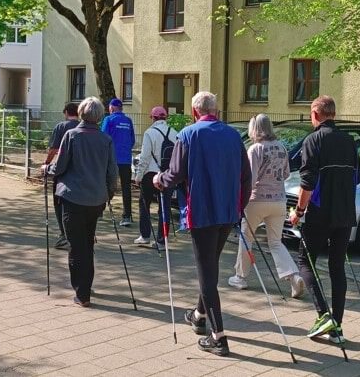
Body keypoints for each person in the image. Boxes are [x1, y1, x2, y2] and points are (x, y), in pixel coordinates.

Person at [153, 92, 252, 356]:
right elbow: (246, 177)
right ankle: (199, 315)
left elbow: (175, 174)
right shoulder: (233, 136)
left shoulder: (188, 134)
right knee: (210, 265)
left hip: (202, 211)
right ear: (215, 111)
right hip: (227, 212)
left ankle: (218, 337)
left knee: (207, 271)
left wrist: (159, 180)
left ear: (195, 112)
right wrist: (238, 207)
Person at [289, 95, 360, 344]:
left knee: (305, 261)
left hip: (320, 214)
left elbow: (307, 183)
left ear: (316, 114)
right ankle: (337, 327)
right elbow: (357, 177)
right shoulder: (349, 141)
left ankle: (323, 315)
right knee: (337, 268)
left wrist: (298, 212)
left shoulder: (313, 140)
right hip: (344, 214)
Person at [43, 97, 118, 307]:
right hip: (96, 199)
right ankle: (86, 285)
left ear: (82, 113)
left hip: (73, 197)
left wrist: (46, 169)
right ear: (99, 115)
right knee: (87, 242)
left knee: (76, 246)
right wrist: (108, 194)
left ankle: (82, 293)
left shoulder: (72, 135)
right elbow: (112, 172)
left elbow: (60, 167)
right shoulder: (106, 139)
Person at [229, 114, 304, 299]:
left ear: (254, 129)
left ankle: (241, 276)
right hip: (279, 200)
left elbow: (250, 178)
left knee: (247, 238)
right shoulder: (281, 148)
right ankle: (293, 276)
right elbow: (286, 173)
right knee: (276, 242)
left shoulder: (255, 149)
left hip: (257, 200)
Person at [133, 106, 176, 249]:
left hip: (150, 174)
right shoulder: (174, 133)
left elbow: (144, 157)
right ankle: (162, 240)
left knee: (144, 204)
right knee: (165, 207)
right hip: (167, 174)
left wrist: (138, 176)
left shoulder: (150, 133)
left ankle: (145, 236)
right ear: (166, 118)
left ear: (153, 118)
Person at [43, 102, 79, 249]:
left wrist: (47, 164)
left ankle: (64, 235)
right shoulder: (83, 126)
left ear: (65, 113)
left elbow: (53, 148)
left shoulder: (61, 126)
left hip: (62, 170)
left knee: (59, 202)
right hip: (80, 171)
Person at [101, 98, 135, 226]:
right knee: (126, 187)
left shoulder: (108, 120)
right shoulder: (128, 121)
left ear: (112, 108)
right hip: (126, 159)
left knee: (106, 184)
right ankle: (127, 216)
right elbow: (132, 140)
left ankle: (99, 210)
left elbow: (103, 138)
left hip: (111, 159)